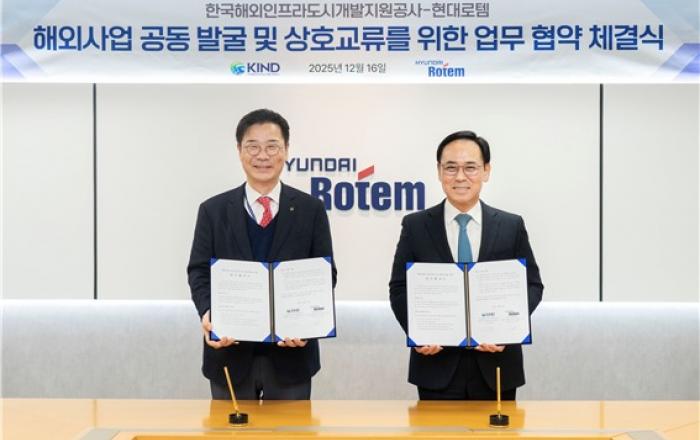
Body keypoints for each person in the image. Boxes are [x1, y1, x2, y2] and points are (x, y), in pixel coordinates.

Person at [187, 108, 337, 400]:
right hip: (229, 352)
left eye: (272, 146)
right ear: (239, 151)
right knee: (228, 428)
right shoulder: (213, 210)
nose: (262, 156)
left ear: (286, 150)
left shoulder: (311, 209)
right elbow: (199, 271)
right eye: (253, 147)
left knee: (291, 428)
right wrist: (208, 312)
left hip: (292, 356)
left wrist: (307, 323)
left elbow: (324, 273)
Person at [389, 130, 543, 400]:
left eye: (470, 167)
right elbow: (399, 288)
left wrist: (507, 328)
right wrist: (419, 332)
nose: (460, 177)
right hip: (436, 366)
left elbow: (532, 285)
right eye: (451, 167)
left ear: (486, 171)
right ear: (439, 172)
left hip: (497, 366)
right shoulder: (415, 226)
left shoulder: (511, 225)